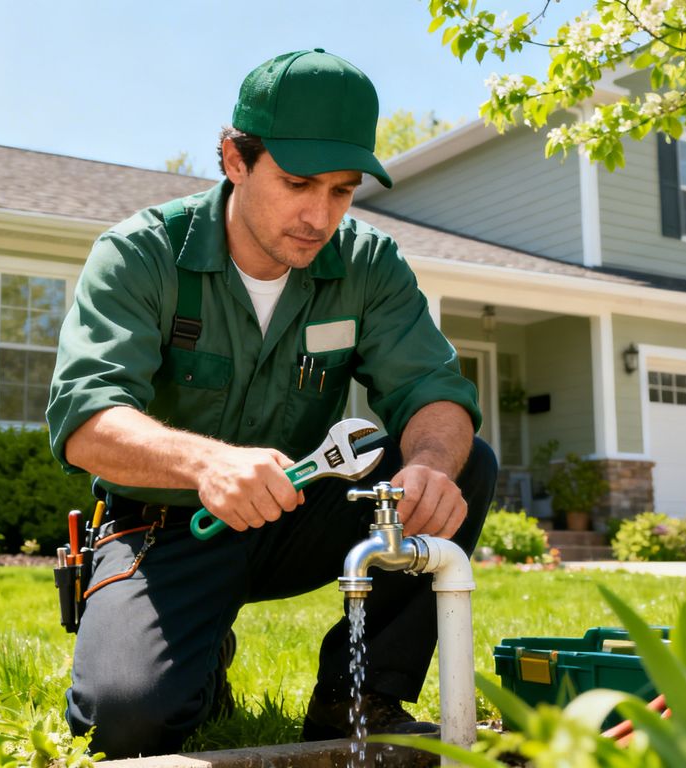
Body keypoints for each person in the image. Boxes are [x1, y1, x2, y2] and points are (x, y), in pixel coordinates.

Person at [46, 49, 497, 758]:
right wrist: (208, 465)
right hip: (168, 527)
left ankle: (361, 694)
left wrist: (430, 464)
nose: (320, 216)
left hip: (298, 506)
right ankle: (198, 654)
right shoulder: (140, 254)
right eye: (297, 183)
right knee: (125, 724)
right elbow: (88, 421)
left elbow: (435, 392)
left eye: (343, 190)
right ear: (234, 158)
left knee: (461, 462)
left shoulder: (369, 264)